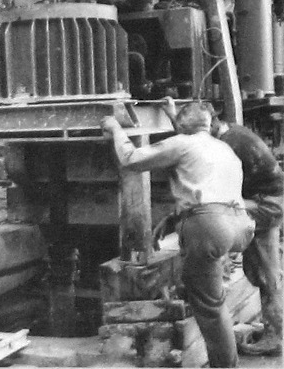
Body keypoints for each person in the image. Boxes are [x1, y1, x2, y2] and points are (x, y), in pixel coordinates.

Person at [101, 103, 255, 368]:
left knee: (210, 307)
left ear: (182, 126)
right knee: (211, 294)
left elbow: (131, 160)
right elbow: (209, 190)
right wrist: (175, 219)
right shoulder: (223, 148)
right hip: (240, 225)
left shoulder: (182, 142)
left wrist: (115, 129)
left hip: (210, 228)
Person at [162, 97, 283, 356]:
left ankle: (274, 337)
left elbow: (195, 149)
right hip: (261, 200)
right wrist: (173, 116)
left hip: (267, 204)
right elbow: (194, 137)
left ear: (212, 123)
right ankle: (272, 332)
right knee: (260, 270)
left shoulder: (229, 143)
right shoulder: (225, 134)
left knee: (266, 273)